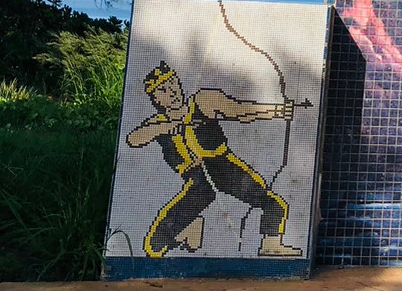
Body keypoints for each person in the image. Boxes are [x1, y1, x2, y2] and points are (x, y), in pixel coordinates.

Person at [127, 61, 302, 258]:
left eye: (173, 83)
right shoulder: (157, 123)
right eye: (163, 90)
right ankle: (184, 233)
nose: (172, 91)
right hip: (197, 179)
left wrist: (277, 111)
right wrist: (167, 127)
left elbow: (238, 110)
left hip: (223, 167)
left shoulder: (202, 101)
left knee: (272, 203)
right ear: (156, 99)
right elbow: (134, 139)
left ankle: (271, 244)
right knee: (159, 238)